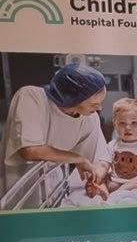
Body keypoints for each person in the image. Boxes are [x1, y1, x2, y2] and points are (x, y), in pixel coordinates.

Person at [1, 64, 112, 199]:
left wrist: (98, 179)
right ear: (73, 98)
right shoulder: (32, 97)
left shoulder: (90, 117)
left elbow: (97, 158)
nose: (99, 108)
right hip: (17, 188)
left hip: (53, 190)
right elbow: (30, 150)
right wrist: (78, 159)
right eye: (94, 104)